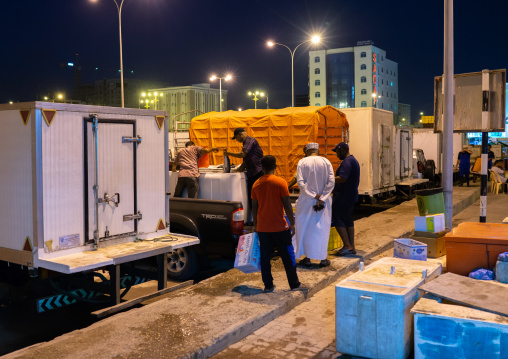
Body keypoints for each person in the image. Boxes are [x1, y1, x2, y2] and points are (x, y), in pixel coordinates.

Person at [251, 155, 308, 293]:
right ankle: (294, 284)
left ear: (262, 168)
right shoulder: (280, 182)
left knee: (265, 257)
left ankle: (268, 285)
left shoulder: (256, 184)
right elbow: (287, 205)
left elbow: (254, 207)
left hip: (263, 228)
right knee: (288, 256)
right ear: (275, 166)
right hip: (280, 228)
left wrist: (255, 225)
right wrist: (292, 223)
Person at [294, 143, 335, 268]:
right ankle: (323, 259)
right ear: (317, 150)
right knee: (321, 229)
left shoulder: (302, 162)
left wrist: (313, 195)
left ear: (306, 150)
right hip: (323, 202)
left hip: (306, 201)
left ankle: (307, 258)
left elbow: (300, 182)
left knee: (305, 229)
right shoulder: (326, 161)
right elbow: (331, 181)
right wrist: (322, 196)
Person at [224, 128, 263, 224]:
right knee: (252, 198)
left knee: (257, 198)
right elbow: (245, 162)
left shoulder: (250, 140)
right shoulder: (246, 143)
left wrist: (228, 153)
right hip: (252, 174)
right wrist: (236, 171)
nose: (237, 140)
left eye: (236, 137)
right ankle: (254, 220)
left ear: (240, 134)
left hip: (257, 173)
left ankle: (259, 221)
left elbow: (242, 154)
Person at [331, 142, 360, 257]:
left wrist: (328, 179)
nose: (337, 155)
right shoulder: (353, 160)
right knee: (348, 220)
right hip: (350, 195)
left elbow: (343, 178)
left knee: (337, 219)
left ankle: (347, 246)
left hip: (343, 196)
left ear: (342, 150)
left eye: (337, 152)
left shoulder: (347, 162)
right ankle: (351, 246)